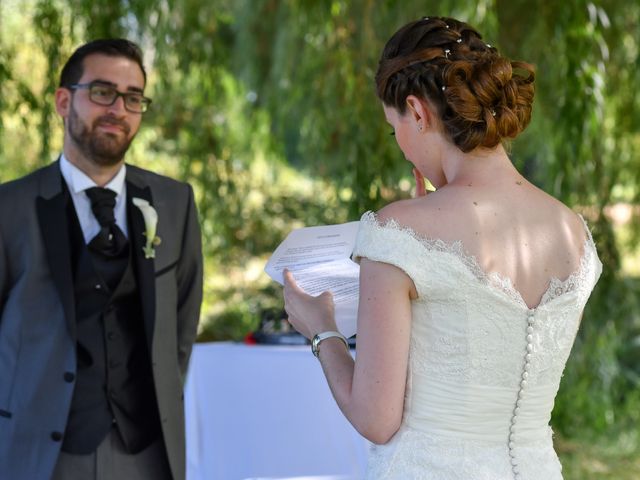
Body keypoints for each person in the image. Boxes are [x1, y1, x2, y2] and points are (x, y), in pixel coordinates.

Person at [283, 16, 602, 479]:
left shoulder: (397, 231)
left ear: (416, 111)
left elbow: (376, 418)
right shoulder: (572, 230)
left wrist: (322, 330)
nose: (403, 149)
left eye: (396, 131)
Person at [0, 39, 203, 480]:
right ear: (62, 100)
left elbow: (181, 327)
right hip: (39, 454)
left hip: (146, 453)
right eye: (102, 92)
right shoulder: (9, 208)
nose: (118, 108)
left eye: (133, 97)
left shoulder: (175, 203)